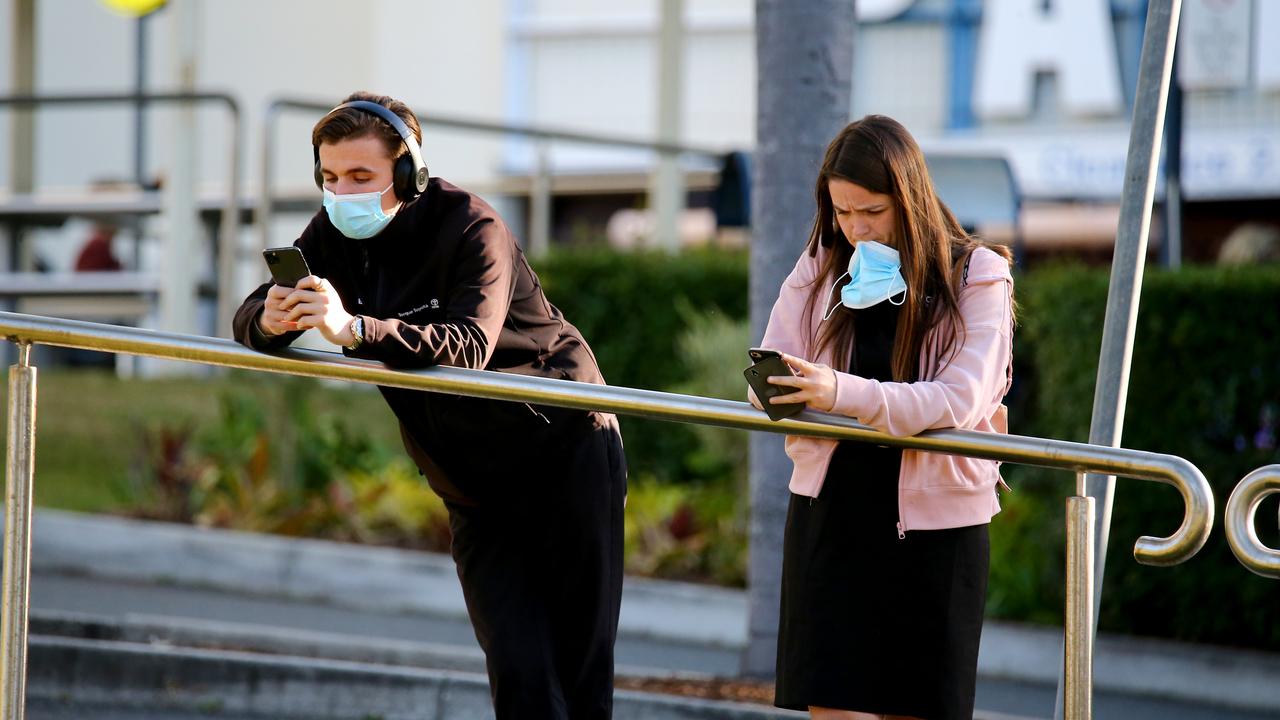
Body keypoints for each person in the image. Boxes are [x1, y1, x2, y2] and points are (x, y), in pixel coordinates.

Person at [232, 92, 627, 720]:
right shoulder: (331, 231)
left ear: (409, 171)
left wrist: (357, 329)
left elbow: (468, 346)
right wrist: (270, 320)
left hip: (565, 454)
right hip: (471, 485)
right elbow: (249, 314)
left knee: (579, 676)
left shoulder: (475, 226)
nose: (343, 193)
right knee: (519, 676)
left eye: (362, 176)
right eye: (330, 177)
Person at [751, 115, 1015, 720]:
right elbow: (775, 362)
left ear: (909, 196)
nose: (855, 227)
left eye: (870, 211)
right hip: (831, 515)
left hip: (935, 531)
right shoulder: (823, 261)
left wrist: (837, 391)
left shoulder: (978, 274)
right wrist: (777, 389)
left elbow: (958, 401)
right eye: (842, 212)